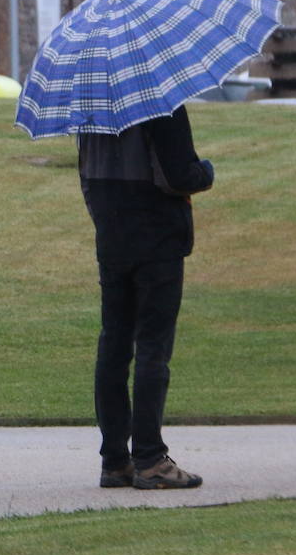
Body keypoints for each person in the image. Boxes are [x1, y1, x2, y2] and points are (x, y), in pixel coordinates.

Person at [78, 105, 215, 490]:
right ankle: (151, 458)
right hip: (157, 241)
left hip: (112, 240)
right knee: (153, 348)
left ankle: (115, 460)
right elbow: (179, 175)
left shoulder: (91, 110)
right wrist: (206, 171)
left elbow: (85, 177)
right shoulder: (163, 105)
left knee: (114, 347)